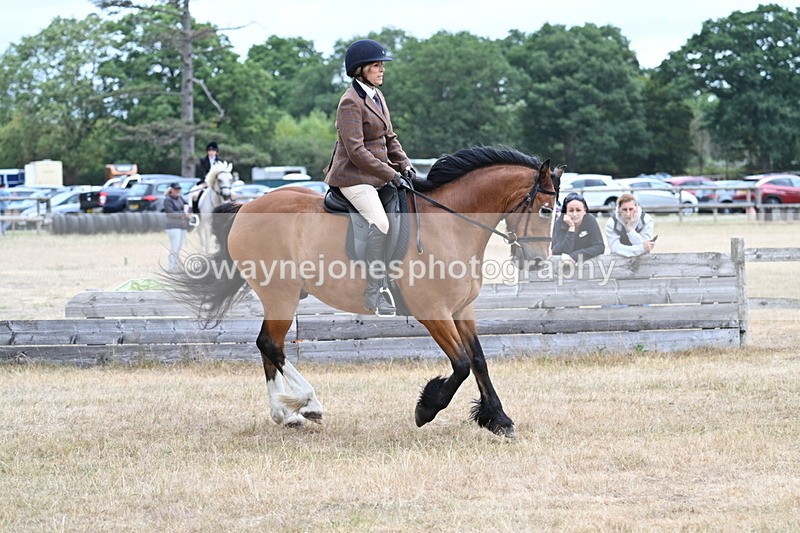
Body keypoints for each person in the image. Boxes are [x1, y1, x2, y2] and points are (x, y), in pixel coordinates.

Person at [324, 39, 415, 316]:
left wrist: (405, 166)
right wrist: (391, 173)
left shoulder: (376, 95)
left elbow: (389, 137)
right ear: (360, 69)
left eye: (381, 65)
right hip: (353, 177)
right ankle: (375, 290)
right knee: (381, 222)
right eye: (376, 65)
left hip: (375, 175)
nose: (381, 70)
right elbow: (356, 151)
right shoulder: (350, 102)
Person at [551, 192, 605, 262]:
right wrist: (571, 228)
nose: (574, 214)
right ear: (565, 212)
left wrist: (575, 256)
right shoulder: (559, 223)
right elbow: (558, 251)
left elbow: (599, 247)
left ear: (585, 211)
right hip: (561, 266)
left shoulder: (590, 220)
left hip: (586, 264)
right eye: (571, 210)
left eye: (578, 210)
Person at [605, 193, 656, 257]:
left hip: (643, 260)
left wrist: (630, 229)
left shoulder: (646, 220)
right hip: (618, 260)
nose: (628, 213)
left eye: (631, 209)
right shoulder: (611, 223)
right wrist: (641, 249)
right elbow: (615, 248)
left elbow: (646, 246)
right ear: (618, 209)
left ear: (636, 208)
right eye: (624, 209)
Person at [163, 182, 191, 272]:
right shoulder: (167, 200)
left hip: (182, 226)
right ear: (171, 190)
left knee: (179, 248)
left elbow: (187, 206)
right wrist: (183, 214)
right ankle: (171, 267)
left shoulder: (180, 198)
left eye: (178, 189)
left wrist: (188, 212)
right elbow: (170, 213)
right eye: (175, 189)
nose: (177, 191)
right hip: (173, 227)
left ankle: (176, 266)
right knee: (175, 247)